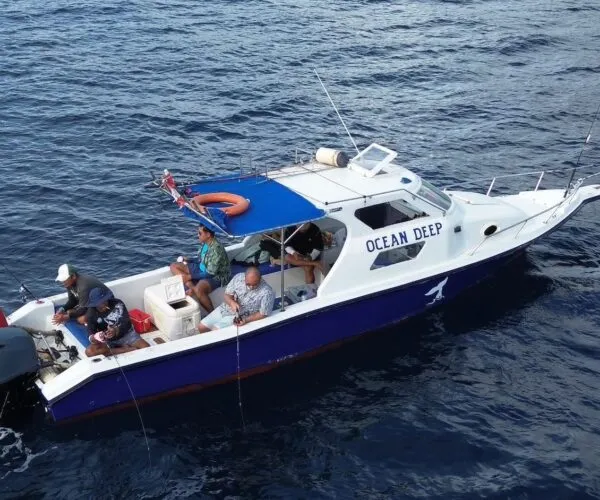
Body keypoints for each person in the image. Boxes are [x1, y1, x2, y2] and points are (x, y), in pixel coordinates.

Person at [170, 225, 231, 313]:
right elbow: (200, 259)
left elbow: (210, 273)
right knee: (174, 266)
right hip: (201, 268)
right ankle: (192, 287)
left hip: (216, 276)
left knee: (199, 290)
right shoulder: (205, 244)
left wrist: (189, 277)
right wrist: (189, 260)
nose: (198, 235)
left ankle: (212, 313)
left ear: (208, 234)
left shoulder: (216, 249)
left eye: (200, 233)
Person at [198, 267, 275, 333]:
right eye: (248, 284)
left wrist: (246, 320)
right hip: (225, 309)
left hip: (241, 316)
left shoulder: (267, 292)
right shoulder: (238, 278)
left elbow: (263, 313)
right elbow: (227, 295)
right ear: (245, 278)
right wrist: (231, 302)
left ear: (260, 279)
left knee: (215, 331)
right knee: (201, 327)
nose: (251, 287)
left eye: (255, 285)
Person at [85, 288, 150, 357]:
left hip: (126, 334)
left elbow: (126, 322)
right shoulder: (90, 314)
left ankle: (118, 349)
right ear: (94, 304)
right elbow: (91, 332)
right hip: (107, 340)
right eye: (99, 304)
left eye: (104, 301)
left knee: (147, 348)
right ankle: (125, 349)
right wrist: (96, 337)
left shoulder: (118, 303)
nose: (103, 304)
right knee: (90, 352)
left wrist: (115, 330)